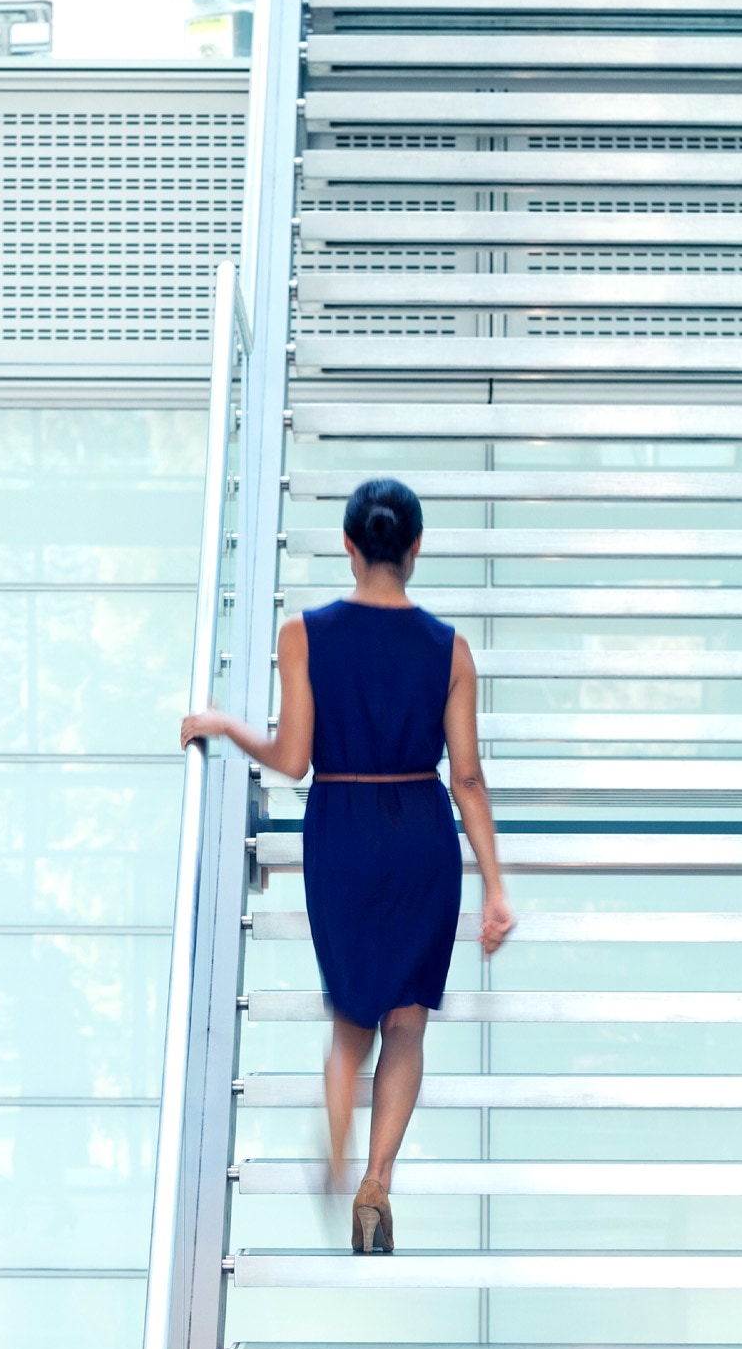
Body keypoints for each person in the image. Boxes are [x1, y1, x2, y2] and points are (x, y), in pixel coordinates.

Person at [181, 477, 513, 1254]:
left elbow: (292, 759)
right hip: (420, 835)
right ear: (417, 548)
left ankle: (333, 1152)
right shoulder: (450, 648)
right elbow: (467, 777)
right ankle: (377, 1181)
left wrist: (226, 723)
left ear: (351, 546)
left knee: (351, 1019)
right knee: (407, 1022)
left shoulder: (304, 635)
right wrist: (495, 886)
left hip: (344, 830)